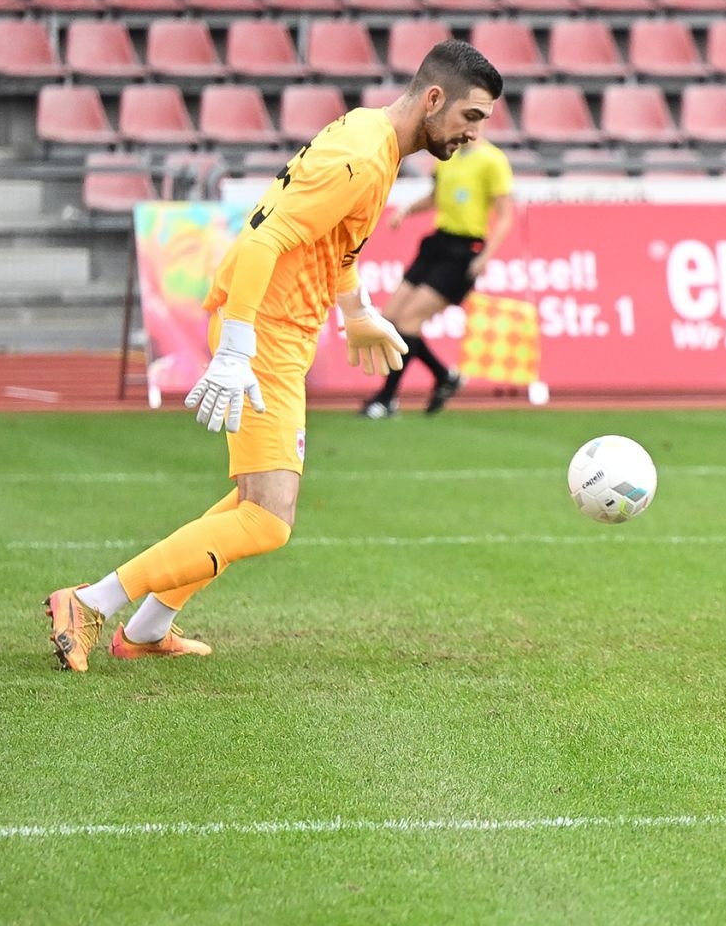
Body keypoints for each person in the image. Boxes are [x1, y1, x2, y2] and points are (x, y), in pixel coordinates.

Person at [43, 41, 503, 671]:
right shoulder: (364, 157)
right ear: (434, 98)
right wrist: (237, 347)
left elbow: (334, 243)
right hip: (265, 330)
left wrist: (356, 310)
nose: (475, 134)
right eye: (471, 117)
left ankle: (148, 627)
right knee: (267, 518)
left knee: (252, 501)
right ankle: (90, 602)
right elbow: (265, 240)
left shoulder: (374, 139)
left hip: (281, 328)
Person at [359, 133, 514, 418]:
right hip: (437, 242)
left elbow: (505, 215)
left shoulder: (493, 160)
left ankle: (387, 398)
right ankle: (445, 376)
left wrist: (485, 256)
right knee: (390, 318)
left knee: (410, 321)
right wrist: (407, 210)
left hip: (465, 249)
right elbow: (435, 196)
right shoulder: (447, 156)